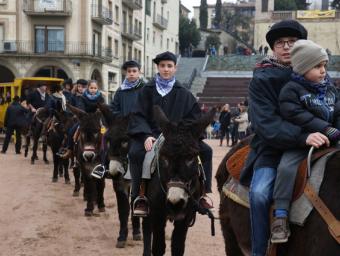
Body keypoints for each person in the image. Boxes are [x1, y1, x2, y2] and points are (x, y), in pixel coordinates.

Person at [239, 20, 321, 256]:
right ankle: (259, 250)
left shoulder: (316, 73)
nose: (286, 47)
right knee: (260, 193)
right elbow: (266, 124)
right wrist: (303, 137)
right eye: (280, 43)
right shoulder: (261, 79)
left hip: (318, 144)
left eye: (292, 42)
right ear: (273, 49)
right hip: (272, 149)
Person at [128, 51, 213, 216]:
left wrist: (184, 135)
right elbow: (138, 115)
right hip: (152, 134)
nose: (166, 69)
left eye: (169, 66)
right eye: (162, 66)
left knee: (207, 151)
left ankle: (203, 193)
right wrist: (145, 135)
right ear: (157, 68)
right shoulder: (147, 90)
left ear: (175, 68)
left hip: (179, 137)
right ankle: (140, 196)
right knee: (136, 153)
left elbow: (194, 117)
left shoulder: (184, 93)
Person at [270, 40, 340, 243]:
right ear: (302, 68)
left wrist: (337, 129)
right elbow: (296, 115)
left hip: (332, 139)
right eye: (317, 66)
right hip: (301, 142)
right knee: (286, 168)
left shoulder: (330, 89)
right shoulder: (291, 90)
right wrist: (324, 128)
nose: (323, 71)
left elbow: (337, 110)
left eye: (324, 66)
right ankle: (281, 216)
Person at [91, 60, 145, 179]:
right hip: (121, 124)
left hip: (140, 124)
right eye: (129, 71)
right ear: (126, 73)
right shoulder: (121, 90)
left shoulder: (145, 89)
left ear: (139, 72)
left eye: (134, 71)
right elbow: (114, 107)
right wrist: (117, 119)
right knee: (106, 136)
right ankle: (104, 166)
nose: (131, 73)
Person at [61, 80, 104, 159]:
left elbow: (102, 107)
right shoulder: (83, 97)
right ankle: (70, 150)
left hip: (97, 120)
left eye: (95, 88)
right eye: (91, 88)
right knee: (71, 132)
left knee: (105, 132)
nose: (93, 89)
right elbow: (81, 107)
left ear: (97, 88)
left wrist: (99, 112)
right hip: (85, 119)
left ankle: (105, 151)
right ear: (88, 88)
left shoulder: (100, 97)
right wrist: (83, 115)